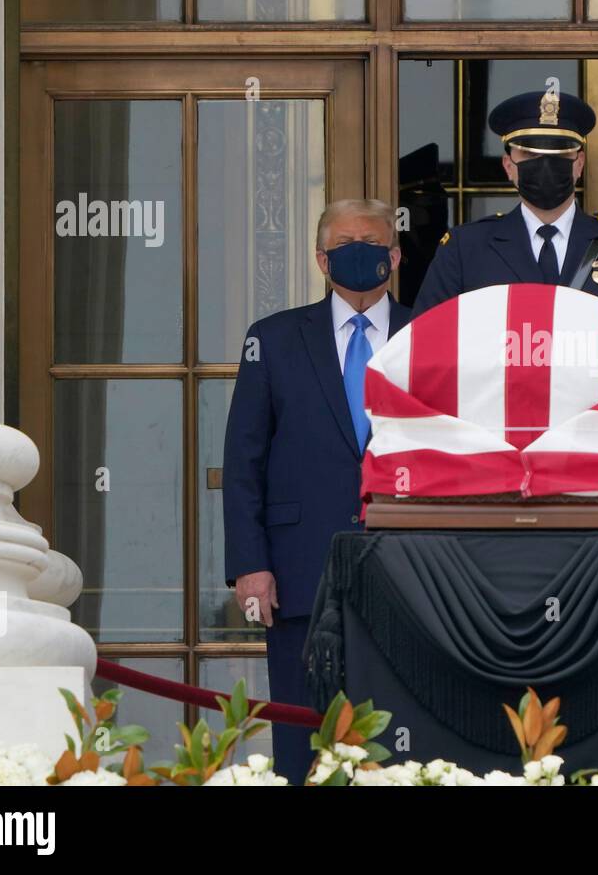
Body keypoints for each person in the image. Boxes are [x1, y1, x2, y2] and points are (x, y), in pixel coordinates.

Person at [222, 198, 411, 784]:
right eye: (346, 245)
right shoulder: (273, 339)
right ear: (321, 259)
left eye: (374, 245)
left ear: (396, 256)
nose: (361, 255)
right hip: (301, 570)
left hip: (410, 572)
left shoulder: (429, 333)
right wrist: (251, 565)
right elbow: (244, 461)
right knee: (303, 740)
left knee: (400, 744)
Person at [412, 88, 598, 366]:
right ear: (509, 166)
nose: (545, 165)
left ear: (579, 164)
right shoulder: (465, 249)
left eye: (559, 155)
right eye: (531, 156)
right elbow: (424, 353)